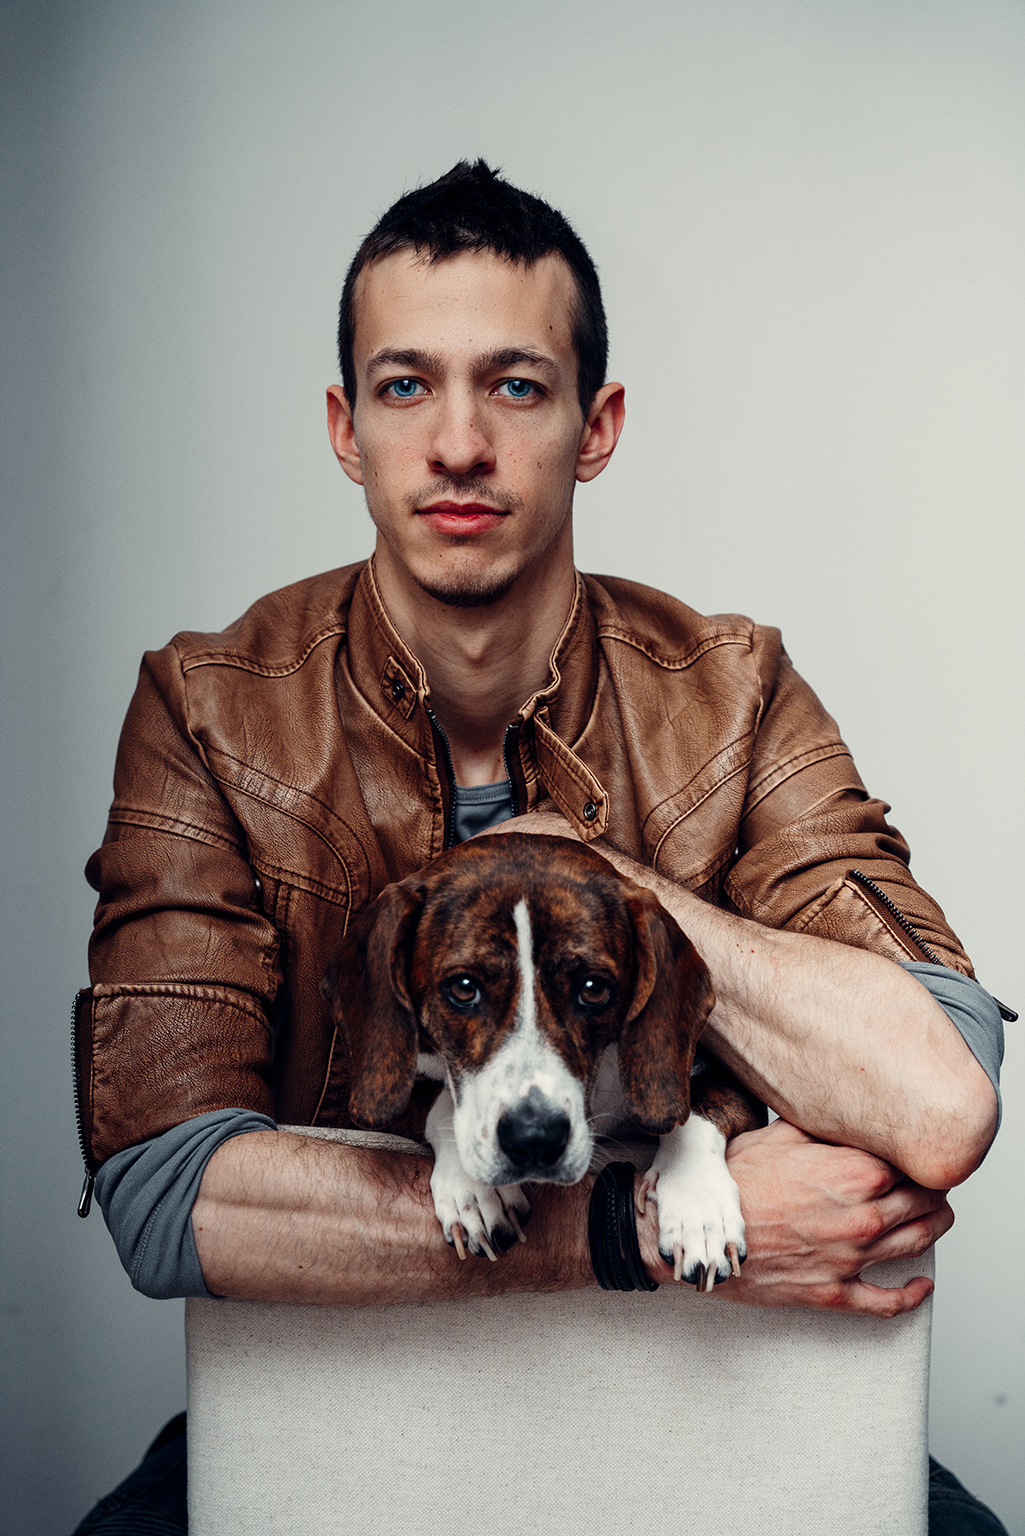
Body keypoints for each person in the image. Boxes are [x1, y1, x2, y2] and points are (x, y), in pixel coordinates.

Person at [72, 161, 1008, 1533]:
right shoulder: (208, 710)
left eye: (514, 385)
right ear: (345, 427)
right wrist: (620, 1236)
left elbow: (934, 1103)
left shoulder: (733, 694)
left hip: (705, 1401)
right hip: (340, 1398)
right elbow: (165, 1198)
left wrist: (596, 869)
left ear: (595, 423)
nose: (457, 444)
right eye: (404, 387)